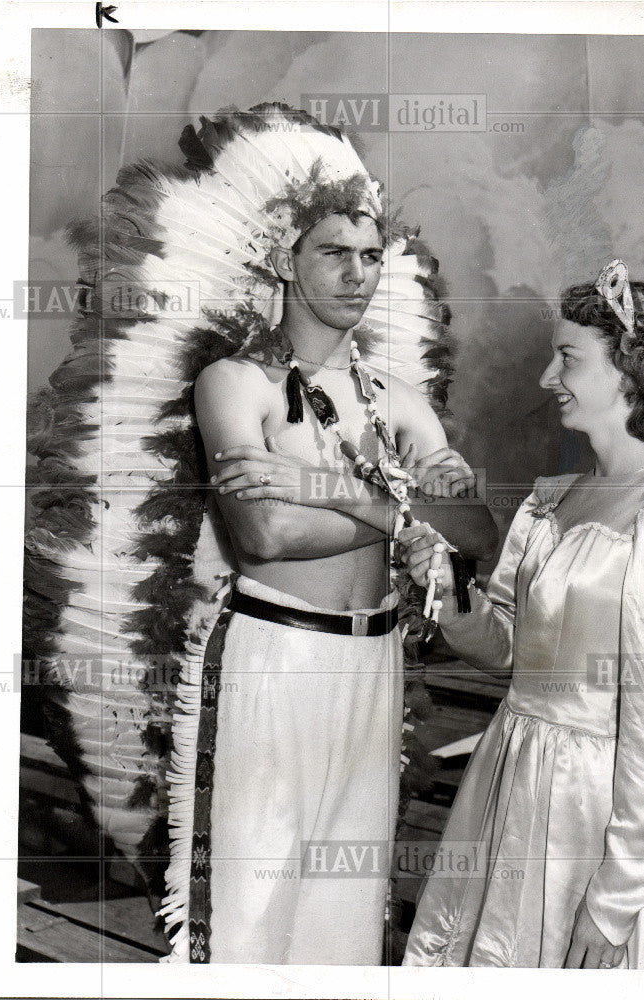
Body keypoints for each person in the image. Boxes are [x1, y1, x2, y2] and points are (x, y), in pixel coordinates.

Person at [162, 178, 497, 962]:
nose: (358, 274)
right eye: (335, 253)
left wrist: (340, 492)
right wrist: (397, 508)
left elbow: (477, 529)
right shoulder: (234, 384)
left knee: (344, 918)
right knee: (250, 911)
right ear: (285, 259)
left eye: (372, 257)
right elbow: (265, 533)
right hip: (276, 657)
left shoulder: (399, 401)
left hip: (375, 662)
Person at [399, 261, 644, 970]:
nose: (546, 377)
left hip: (595, 812)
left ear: (630, 370)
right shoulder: (550, 500)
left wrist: (617, 895)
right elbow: (506, 647)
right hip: (510, 774)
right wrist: (443, 585)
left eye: (567, 357)